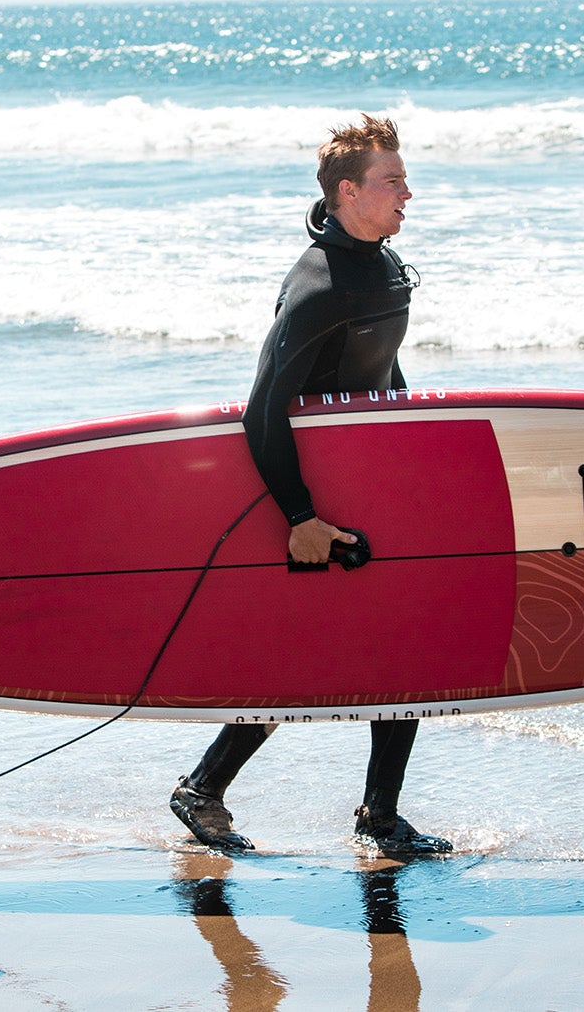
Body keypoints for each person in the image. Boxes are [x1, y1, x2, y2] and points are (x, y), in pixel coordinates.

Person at [168, 114, 452, 858]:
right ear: (349, 192)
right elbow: (263, 407)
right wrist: (301, 515)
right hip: (305, 496)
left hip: (363, 488)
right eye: (393, 181)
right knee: (309, 654)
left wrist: (405, 460)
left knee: (402, 652)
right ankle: (203, 788)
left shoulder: (382, 265)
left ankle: (380, 816)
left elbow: (378, 374)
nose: (407, 194)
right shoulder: (320, 285)